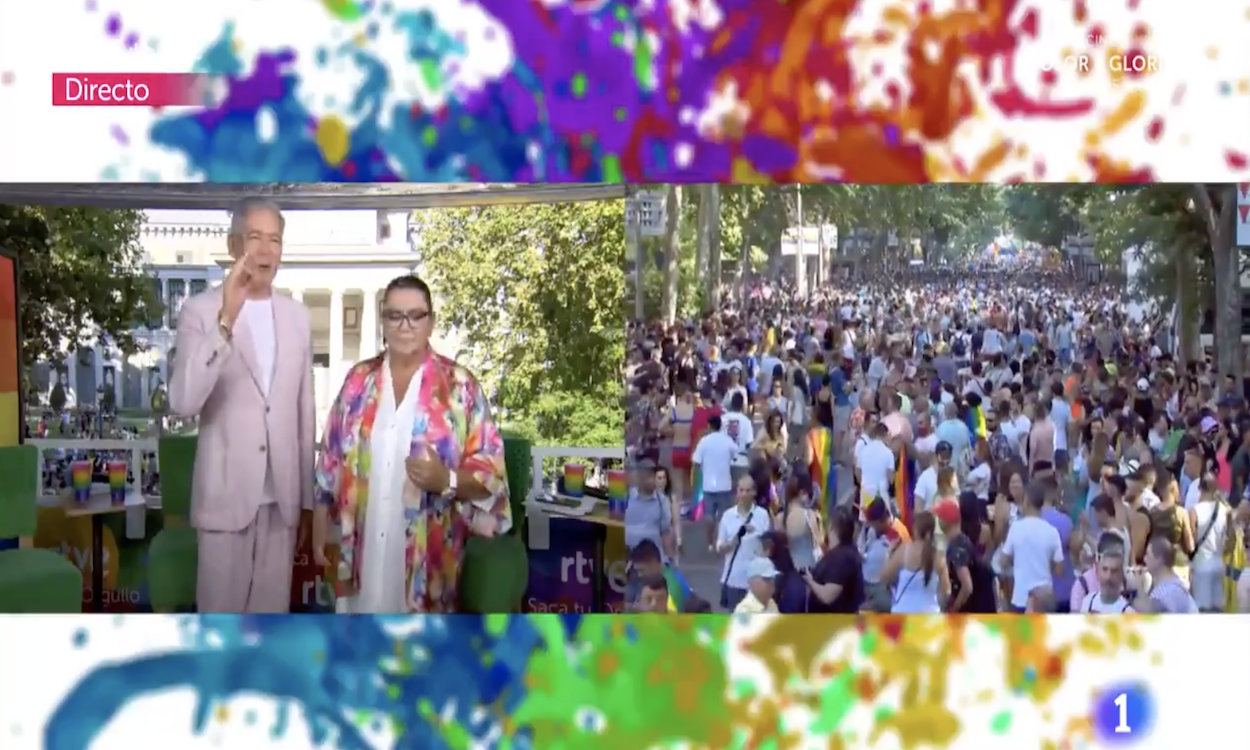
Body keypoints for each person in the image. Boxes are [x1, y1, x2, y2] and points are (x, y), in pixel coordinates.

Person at [315, 274, 510, 614]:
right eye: (395, 315)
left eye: (416, 315)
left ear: (430, 322)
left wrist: (445, 480)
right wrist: (319, 532)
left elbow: (491, 477)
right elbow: (330, 460)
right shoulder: (358, 381)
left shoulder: (461, 388)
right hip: (359, 552)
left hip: (428, 564)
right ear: (383, 321)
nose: (405, 325)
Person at [168, 198, 314, 613]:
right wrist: (226, 321)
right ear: (235, 246)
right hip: (224, 498)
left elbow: (305, 411)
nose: (267, 251)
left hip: (282, 502)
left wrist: (305, 501)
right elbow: (182, 401)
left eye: (275, 240)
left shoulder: (298, 317)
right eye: (255, 238)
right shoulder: (200, 311)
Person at [997, 482, 1064, 613]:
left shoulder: (1016, 528)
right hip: (1045, 600)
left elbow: (1003, 562)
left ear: (1026, 501)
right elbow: (1059, 570)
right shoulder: (1052, 531)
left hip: (1021, 598)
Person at [715, 474, 770, 610]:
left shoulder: (762, 515)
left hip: (756, 581)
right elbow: (720, 548)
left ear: (754, 492)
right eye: (741, 490)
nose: (744, 494)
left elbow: (769, 547)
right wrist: (733, 542)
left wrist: (756, 535)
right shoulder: (728, 516)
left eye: (748, 490)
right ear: (737, 491)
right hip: (734, 581)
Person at [882, 511, 949, 613]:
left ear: (915, 530)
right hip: (930, 616)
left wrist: (888, 554)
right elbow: (947, 591)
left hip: (903, 613)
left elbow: (884, 576)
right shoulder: (938, 556)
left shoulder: (904, 551)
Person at [804, 506, 865, 612]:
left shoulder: (844, 558)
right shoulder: (842, 551)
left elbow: (827, 596)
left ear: (831, 527)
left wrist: (809, 580)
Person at [693, 413, 738, 549]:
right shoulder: (727, 440)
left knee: (709, 515)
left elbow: (696, 462)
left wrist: (700, 475)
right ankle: (722, 541)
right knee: (724, 516)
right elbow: (736, 456)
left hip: (708, 485)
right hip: (725, 484)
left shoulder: (704, 441)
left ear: (709, 426)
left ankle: (709, 543)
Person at [1140, 537, 1199, 613]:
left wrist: (1139, 590)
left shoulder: (1162, 596)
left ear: (1159, 559)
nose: (1144, 559)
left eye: (1147, 554)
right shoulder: (1177, 586)